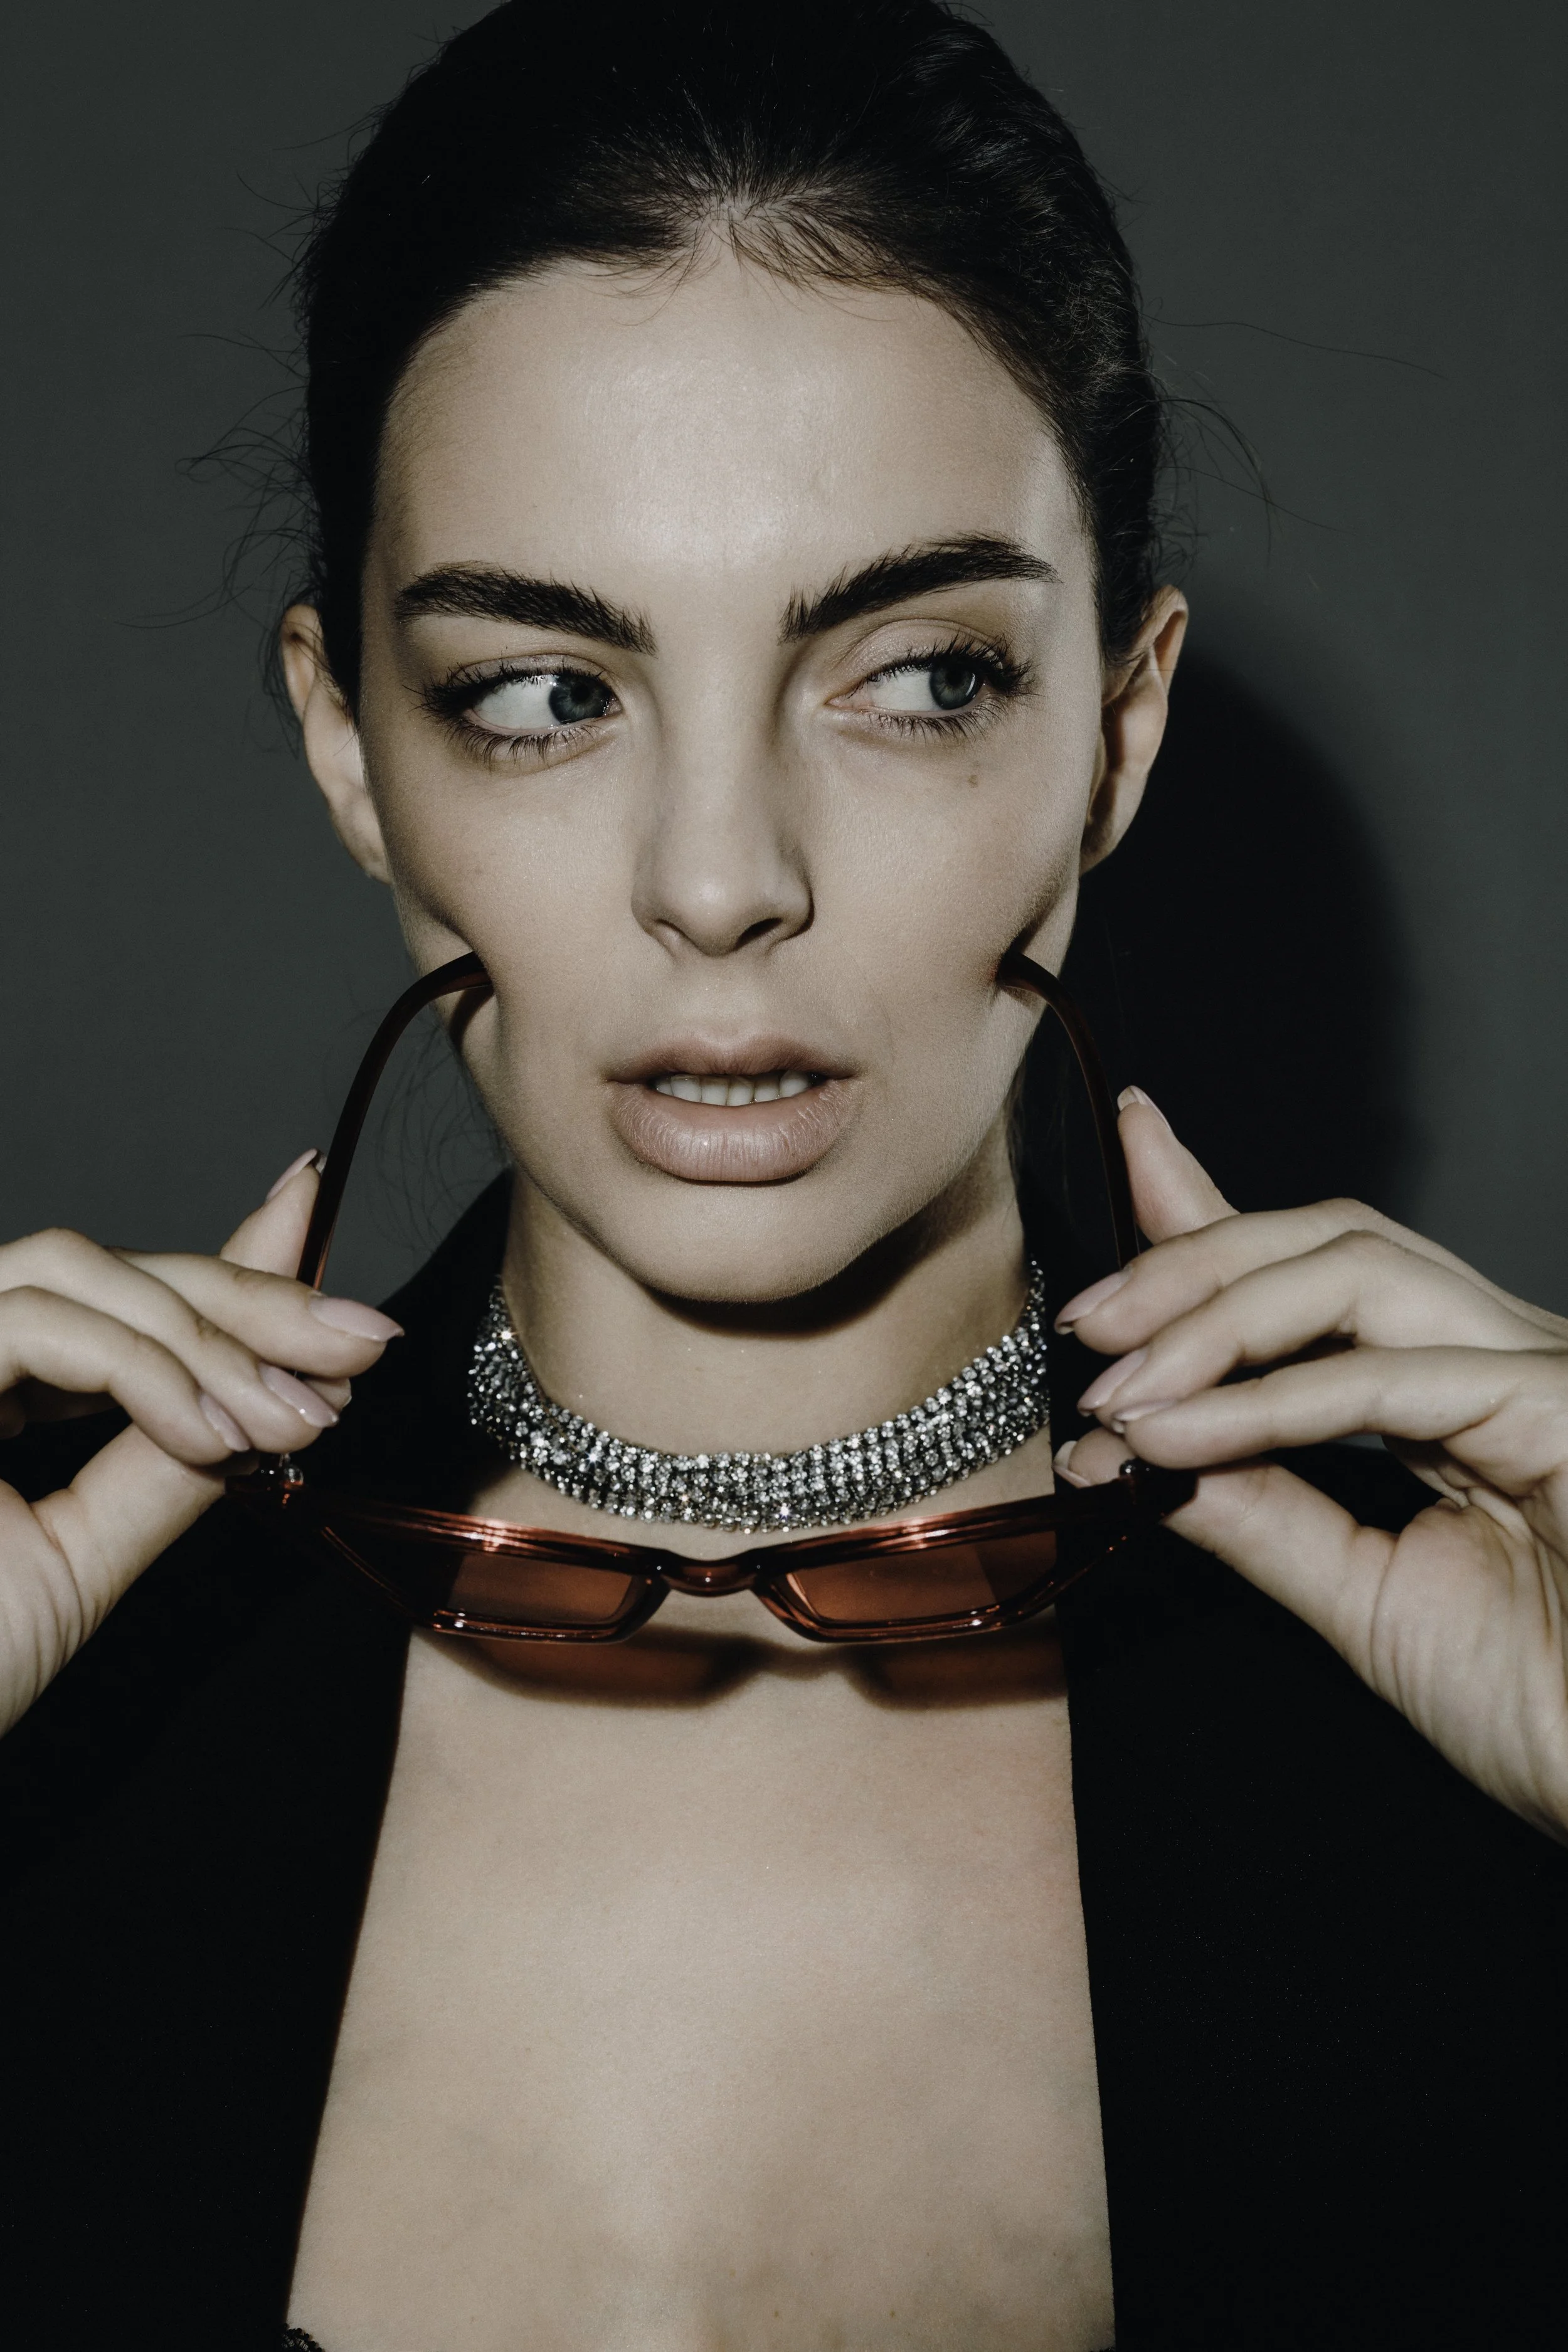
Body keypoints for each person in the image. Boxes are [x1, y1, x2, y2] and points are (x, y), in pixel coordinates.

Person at [2, 4, 1565, 2347]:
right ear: (352, 750)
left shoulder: (1460, 1727)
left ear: (1112, 730)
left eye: (914, 674)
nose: (719, 882)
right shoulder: (81, 1719)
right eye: (544, 689)